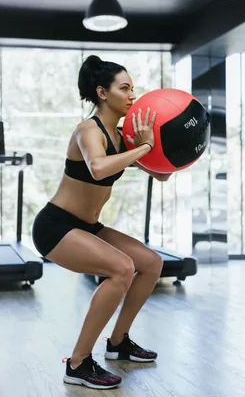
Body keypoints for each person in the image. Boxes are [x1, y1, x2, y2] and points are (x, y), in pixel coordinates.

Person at [31, 55, 171, 390]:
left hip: (87, 226)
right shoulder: (88, 130)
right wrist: (144, 147)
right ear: (102, 93)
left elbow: (160, 176)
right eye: (125, 88)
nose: (132, 95)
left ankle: (118, 341)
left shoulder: (123, 137)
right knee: (121, 268)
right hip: (56, 226)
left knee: (151, 263)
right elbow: (98, 168)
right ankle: (78, 363)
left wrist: (160, 148)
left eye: (133, 88)